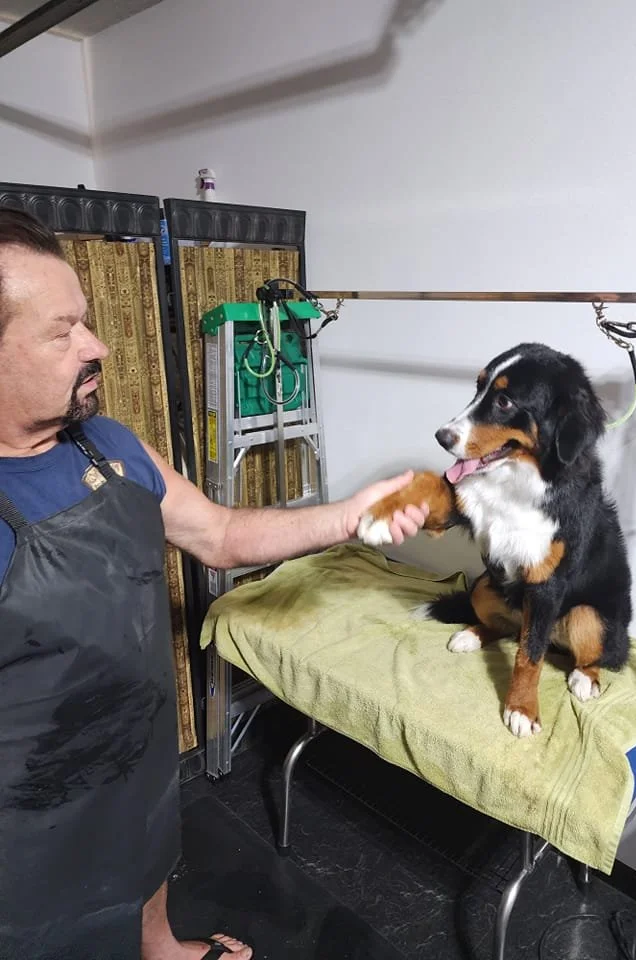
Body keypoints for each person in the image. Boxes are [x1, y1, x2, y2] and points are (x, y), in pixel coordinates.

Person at [0, 207, 429, 960]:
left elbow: (221, 535)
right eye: (62, 332)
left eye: (90, 322)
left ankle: (161, 949)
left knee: (147, 862)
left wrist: (352, 517)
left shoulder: (108, 444)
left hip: (139, 760)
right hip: (32, 822)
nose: (94, 347)